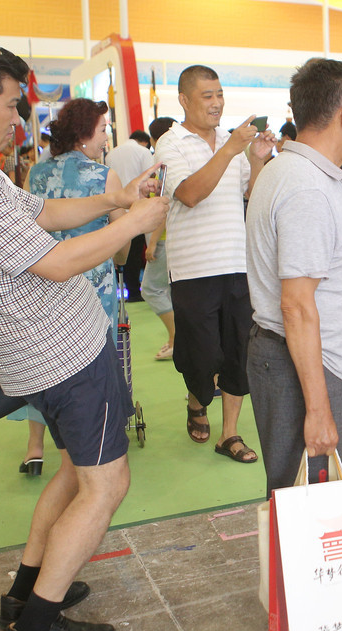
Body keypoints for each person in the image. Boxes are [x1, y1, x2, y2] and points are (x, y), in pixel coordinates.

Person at [0, 41, 167, 631]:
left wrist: (115, 200)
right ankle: (36, 628)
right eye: (8, 105)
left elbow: (43, 213)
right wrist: (135, 223)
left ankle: (26, 590)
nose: (16, 120)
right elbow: (55, 262)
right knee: (107, 485)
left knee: (74, 473)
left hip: (46, 355)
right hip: (65, 356)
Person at [245, 56, 342, 631]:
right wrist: (319, 409)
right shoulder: (298, 185)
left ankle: (299, 619)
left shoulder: (311, 174)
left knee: (303, 494)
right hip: (301, 367)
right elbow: (297, 304)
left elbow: (329, 261)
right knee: (303, 499)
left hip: (310, 363)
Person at [154, 64, 276, 463]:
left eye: (220, 94)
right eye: (207, 96)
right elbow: (189, 193)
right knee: (201, 354)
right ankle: (196, 398)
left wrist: (256, 160)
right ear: (185, 100)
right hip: (192, 269)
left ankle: (230, 434)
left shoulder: (231, 143)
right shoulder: (170, 143)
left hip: (237, 264)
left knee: (238, 351)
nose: (217, 103)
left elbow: (252, 197)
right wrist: (230, 150)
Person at [9, 98, 133, 477]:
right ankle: (87, 445)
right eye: (102, 130)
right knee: (90, 363)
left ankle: (35, 446)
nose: (106, 137)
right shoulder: (103, 176)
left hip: (43, 282)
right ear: (84, 134)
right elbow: (121, 244)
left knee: (43, 361)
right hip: (92, 285)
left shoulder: (35, 172)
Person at [141, 116, 178, 360]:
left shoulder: (164, 162)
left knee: (151, 289)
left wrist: (153, 240)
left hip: (165, 236)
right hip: (174, 237)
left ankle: (176, 338)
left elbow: (165, 204)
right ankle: (176, 338)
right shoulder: (177, 157)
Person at [106, 129, 154, 302]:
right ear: (144, 141)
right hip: (136, 207)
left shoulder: (112, 153)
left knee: (118, 249)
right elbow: (151, 177)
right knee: (134, 253)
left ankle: (122, 288)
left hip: (115, 207)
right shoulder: (143, 152)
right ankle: (134, 291)